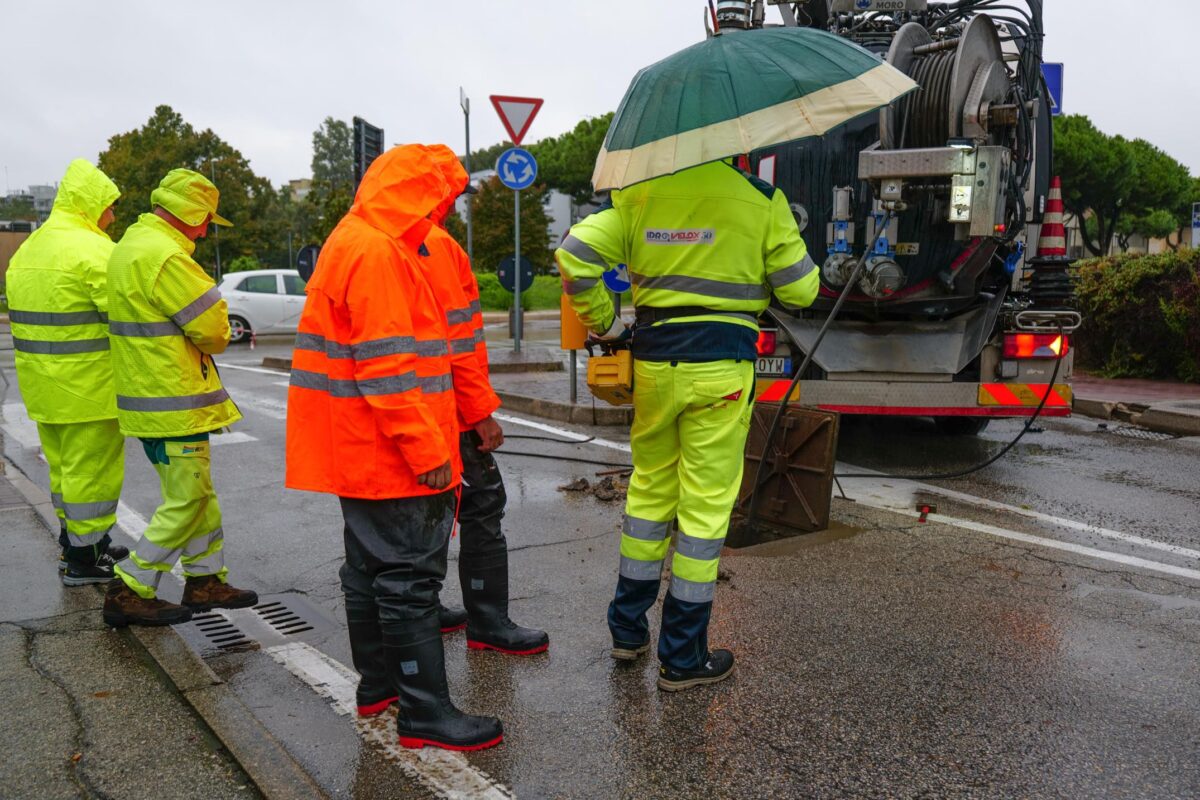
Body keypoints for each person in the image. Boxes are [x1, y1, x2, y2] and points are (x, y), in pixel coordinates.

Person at [555, 159, 819, 692]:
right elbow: (802, 293)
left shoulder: (638, 195)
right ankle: (682, 657)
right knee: (703, 508)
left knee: (650, 491)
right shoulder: (762, 199)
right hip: (722, 368)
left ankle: (628, 632)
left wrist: (605, 323)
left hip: (655, 366)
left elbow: (575, 253)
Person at [286, 144, 502, 752]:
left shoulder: (354, 238)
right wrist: (428, 451)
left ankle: (378, 688)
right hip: (390, 449)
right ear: (417, 193)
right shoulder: (381, 253)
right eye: (441, 196)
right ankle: (425, 712)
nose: (445, 208)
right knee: (409, 579)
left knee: (368, 572)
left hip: (357, 446)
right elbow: (389, 370)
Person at [101, 168, 257, 628]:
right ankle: (131, 587)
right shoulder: (166, 257)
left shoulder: (132, 245)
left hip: (149, 396)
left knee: (196, 493)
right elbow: (213, 331)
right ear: (190, 214)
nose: (207, 228)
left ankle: (205, 579)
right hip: (172, 399)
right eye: (206, 218)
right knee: (188, 498)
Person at [422, 144, 549, 655]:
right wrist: (480, 417)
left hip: (409, 410)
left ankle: (423, 608)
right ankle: (488, 622)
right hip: (445, 411)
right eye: (454, 193)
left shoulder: (381, 241)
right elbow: (460, 343)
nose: (457, 204)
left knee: (420, 517)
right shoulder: (436, 247)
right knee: (480, 503)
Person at [6, 159, 129, 586]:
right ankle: (84, 559)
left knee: (65, 474)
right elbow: (128, 316)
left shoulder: (29, 249)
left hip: (44, 389)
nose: (112, 217)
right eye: (110, 207)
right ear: (90, 204)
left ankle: (77, 541)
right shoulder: (93, 250)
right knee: (91, 476)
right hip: (90, 390)